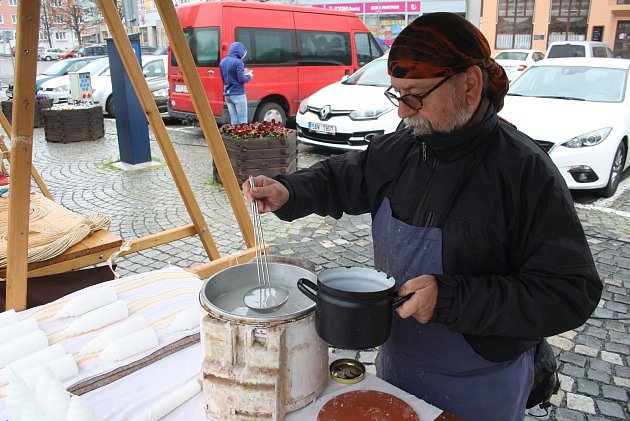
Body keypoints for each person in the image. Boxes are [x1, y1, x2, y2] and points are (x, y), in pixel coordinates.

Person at [242, 13, 602, 420]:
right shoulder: (406, 145)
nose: (402, 112)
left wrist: (451, 299)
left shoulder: (525, 173)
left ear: (469, 86)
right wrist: (289, 190)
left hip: (482, 381)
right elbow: (344, 176)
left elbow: (570, 293)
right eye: (397, 96)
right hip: (399, 362)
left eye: (414, 95)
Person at [219, 42, 252, 124]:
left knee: (234, 120)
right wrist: (249, 76)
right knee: (242, 120)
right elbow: (241, 79)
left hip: (227, 94)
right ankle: (241, 136)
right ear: (240, 51)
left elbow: (223, 79)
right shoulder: (238, 62)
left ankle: (234, 135)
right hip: (238, 94)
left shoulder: (222, 62)